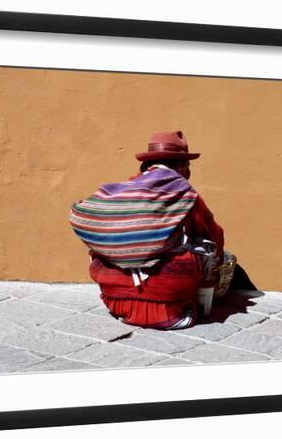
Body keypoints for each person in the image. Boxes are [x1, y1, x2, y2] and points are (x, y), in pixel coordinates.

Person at [70, 130, 254, 330]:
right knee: (202, 249)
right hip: (171, 306)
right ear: (181, 165)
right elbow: (214, 235)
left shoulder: (124, 190)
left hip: (116, 301)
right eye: (188, 165)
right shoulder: (184, 193)